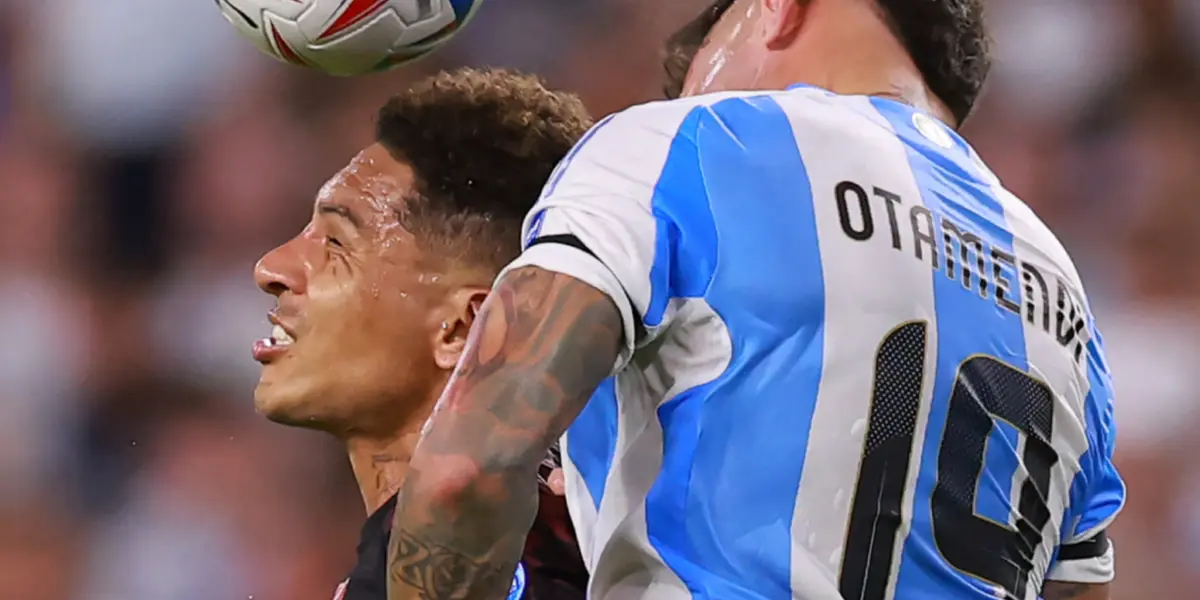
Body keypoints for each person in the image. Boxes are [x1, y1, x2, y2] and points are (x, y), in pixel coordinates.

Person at [385, 2, 1125, 600]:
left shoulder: (687, 143)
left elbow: (465, 469)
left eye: (697, 73)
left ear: (777, 9)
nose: (685, 96)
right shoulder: (1066, 301)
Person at [250, 68, 591, 600]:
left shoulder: (513, 559)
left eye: (337, 244)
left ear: (462, 328)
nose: (272, 267)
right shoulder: (571, 523)